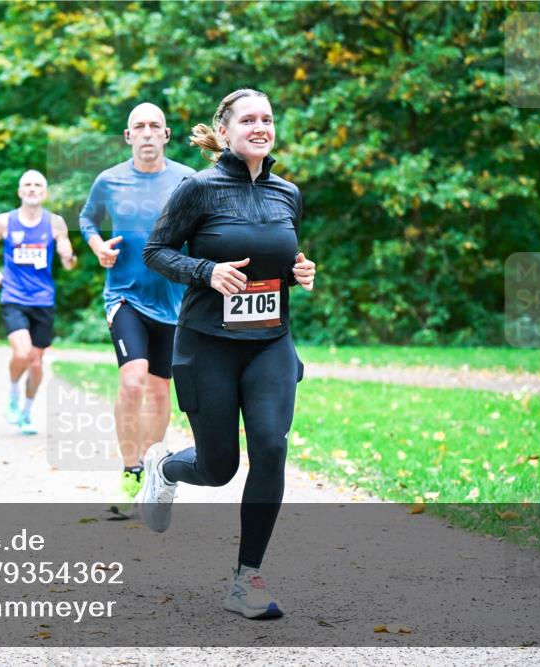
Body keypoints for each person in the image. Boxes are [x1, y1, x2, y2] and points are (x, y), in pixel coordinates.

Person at [140, 89, 317, 619]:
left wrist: (297, 272)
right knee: (219, 468)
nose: (260, 126)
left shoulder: (289, 193)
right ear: (226, 129)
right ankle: (166, 468)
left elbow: (278, 259)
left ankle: (247, 579)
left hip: (269, 343)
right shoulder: (198, 189)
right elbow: (156, 252)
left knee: (271, 447)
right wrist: (205, 271)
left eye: (267, 118)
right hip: (207, 345)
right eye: (248, 119)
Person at [79, 103, 195, 509]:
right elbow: (87, 220)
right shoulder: (108, 181)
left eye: (154, 127)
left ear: (166, 135)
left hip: (173, 301)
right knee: (133, 380)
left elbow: (209, 226)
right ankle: (130, 472)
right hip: (125, 296)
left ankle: (152, 474)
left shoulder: (187, 180)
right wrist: (97, 246)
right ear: (128, 136)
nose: (147, 133)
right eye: (139, 127)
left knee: (161, 390)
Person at [0, 170, 76, 434]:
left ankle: (26, 412)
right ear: (20, 191)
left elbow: (68, 261)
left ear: (44, 192)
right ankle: (12, 394)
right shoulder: (5, 221)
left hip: (43, 299)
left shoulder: (55, 223)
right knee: (21, 353)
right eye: (27, 185)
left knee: (36, 362)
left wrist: (68, 257)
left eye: (37, 185)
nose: (32, 189)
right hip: (14, 295)